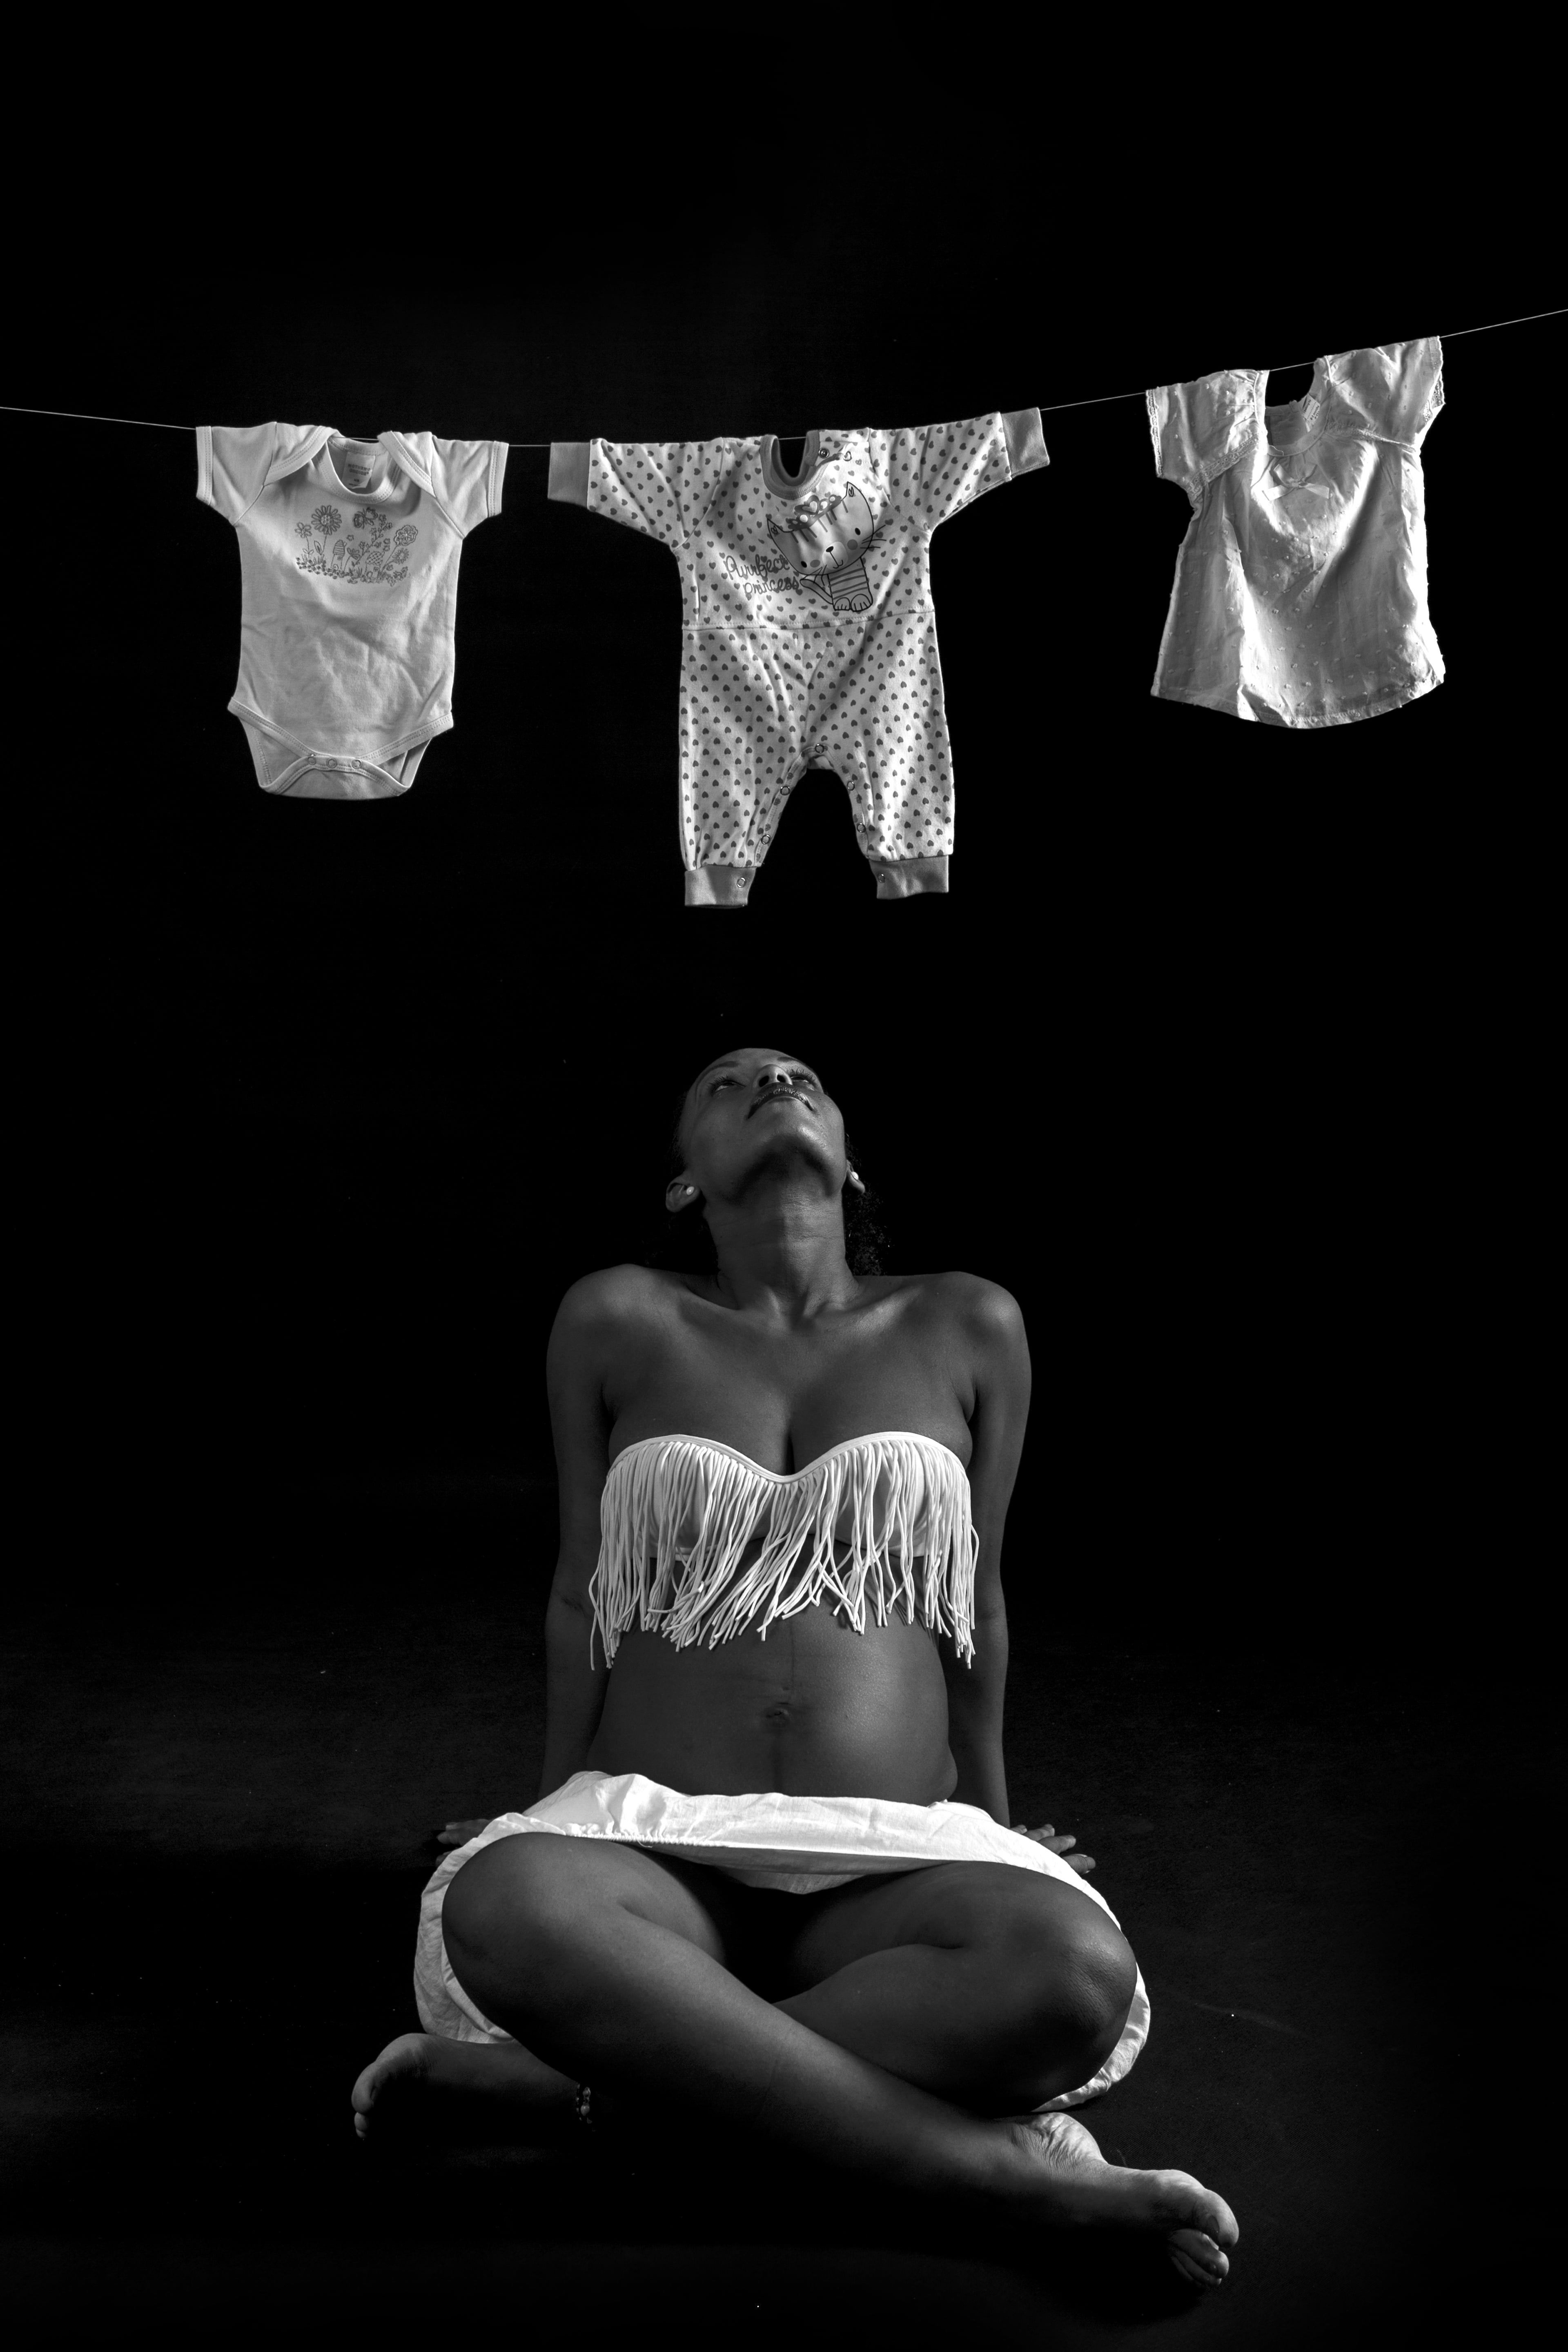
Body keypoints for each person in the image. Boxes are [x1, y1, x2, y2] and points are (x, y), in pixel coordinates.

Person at [352, 1048, 1237, 2287]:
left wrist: (991, 1823)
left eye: (797, 1072)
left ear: (850, 1158)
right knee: (513, 1904)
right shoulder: (617, 1315)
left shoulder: (969, 1320)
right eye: (727, 1084)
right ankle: (996, 2175)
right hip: (654, 1836)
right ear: (684, 1183)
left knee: (1073, 1976)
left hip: (891, 1848)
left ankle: (577, 2091)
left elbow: (976, 1599)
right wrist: (542, 1805)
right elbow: (579, 1587)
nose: (772, 1078)